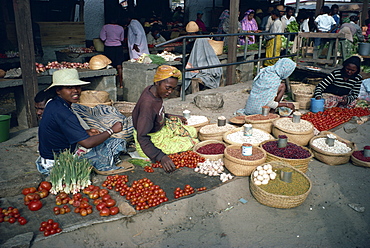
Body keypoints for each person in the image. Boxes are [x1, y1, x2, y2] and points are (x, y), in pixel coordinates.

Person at [36, 68, 126, 175]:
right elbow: (87, 143)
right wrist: (111, 130)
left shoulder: (52, 103)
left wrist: (85, 132)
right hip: (57, 163)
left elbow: (61, 129)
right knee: (114, 143)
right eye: (69, 88)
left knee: (97, 139)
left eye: (77, 87)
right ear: (58, 90)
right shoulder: (63, 112)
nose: (75, 91)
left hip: (48, 157)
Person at [132, 65, 198, 173]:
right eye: (168, 88)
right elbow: (142, 137)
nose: (170, 92)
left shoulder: (152, 90)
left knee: (193, 131)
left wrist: (171, 116)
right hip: (150, 140)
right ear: (157, 82)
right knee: (193, 142)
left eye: (173, 88)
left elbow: (156, 113)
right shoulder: (147, 105)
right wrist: (161, 156)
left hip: (160, 129)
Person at [99, 18, 125, 88]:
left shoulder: (105, 27)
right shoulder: (121, 28)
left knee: (110, 65)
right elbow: (122, 39)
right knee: (119, 66)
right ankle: (121, 84)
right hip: (118, 47)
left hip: (109, 47)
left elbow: (102, 38)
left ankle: (112, 84)